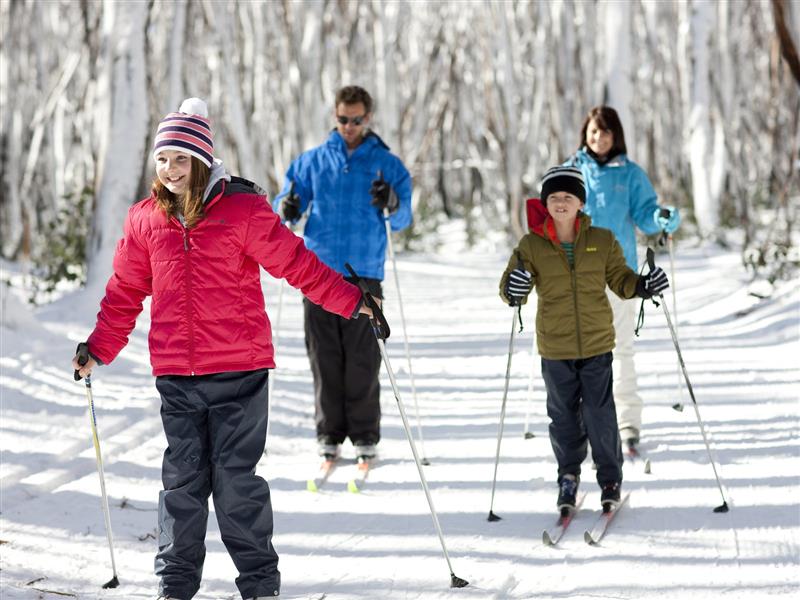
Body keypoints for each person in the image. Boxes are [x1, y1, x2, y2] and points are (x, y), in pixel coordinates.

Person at [71, 98, 372, 600]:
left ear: (203, 161)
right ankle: (174, 584)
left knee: (235, 485)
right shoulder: (144, 220)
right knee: (183, 484)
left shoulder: (243, 210)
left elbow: (297, 265)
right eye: (163, 159)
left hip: (241, 372)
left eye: (181, 159)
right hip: (176, 377)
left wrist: (353, 301)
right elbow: (125, 291)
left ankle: (259, 586)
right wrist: (98, 348)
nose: (170, 170)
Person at [499, 166, 669, 513]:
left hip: (596, 344)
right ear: (545, 203)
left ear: (581, 202)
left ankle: (609, 477)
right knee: (562, 417)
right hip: (555, 347)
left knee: (599, 413)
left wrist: (643, 284)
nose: (561, 203)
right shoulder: (532, 244)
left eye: (568, 197)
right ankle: (568, 476)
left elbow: (621, 279)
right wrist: (513, 290)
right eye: (554, 197)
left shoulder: (602, 240)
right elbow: (511, 285)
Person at [272, 85, 412, 462]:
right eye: (343, 119)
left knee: (364, 356)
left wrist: (392, 201)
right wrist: (288, 204)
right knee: (324, 355)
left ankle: (365, 433)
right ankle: (329, 432)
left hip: (365, 271)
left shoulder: (387, 165)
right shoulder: (312, 162)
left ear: (368, 119)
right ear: (335, 117)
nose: (349, 126)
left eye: (357, 119)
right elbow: (283, 205)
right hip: (317, 272)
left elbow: (402, 219)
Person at [566, 106, 681, 453]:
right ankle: (584, 425)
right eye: (592, 131)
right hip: (576, 275)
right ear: (585, 134)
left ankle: (628, 423)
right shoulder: (572, 170)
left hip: (620, 275)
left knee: (620, 351)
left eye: (605, 132)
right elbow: (553, 211)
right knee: (579, 355)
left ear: (616, 136)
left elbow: (646, 216)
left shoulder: (630, 174)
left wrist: (663, 218)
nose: (598, 138)